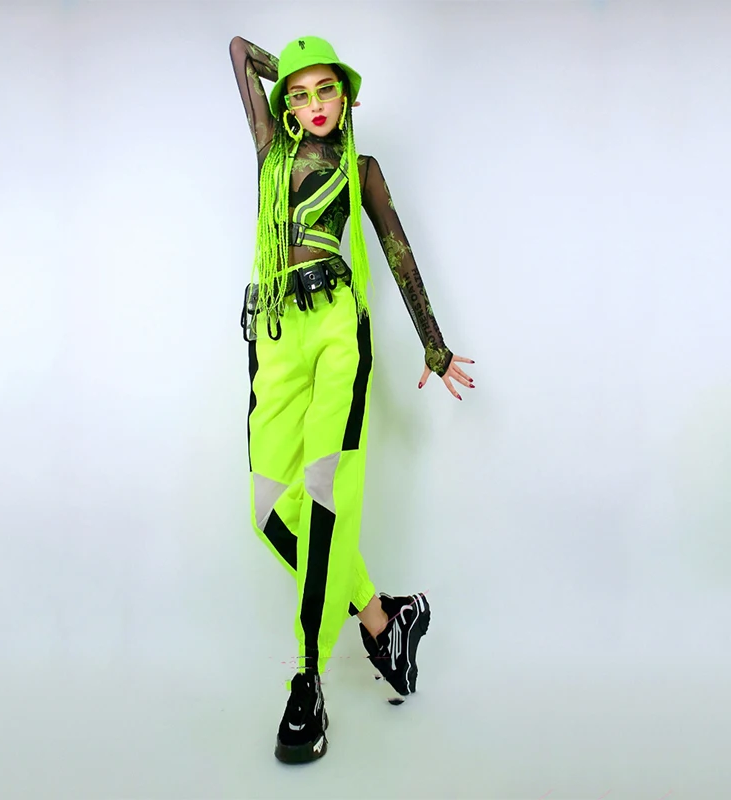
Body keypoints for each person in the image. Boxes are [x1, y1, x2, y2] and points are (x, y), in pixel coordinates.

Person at [228, 34, 475, 764]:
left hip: (338, 328)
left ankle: (307, 682)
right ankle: (382, 619)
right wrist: (289, 78)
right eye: (300, 95)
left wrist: (434, 344)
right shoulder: (271, 150)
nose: (314, 104)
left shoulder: (361, 170)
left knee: (323, 497)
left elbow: (398, 251)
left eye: (327, 89)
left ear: (347, 95)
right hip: (275, 333)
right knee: (268, 510)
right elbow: (239, 51)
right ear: (285, 104)